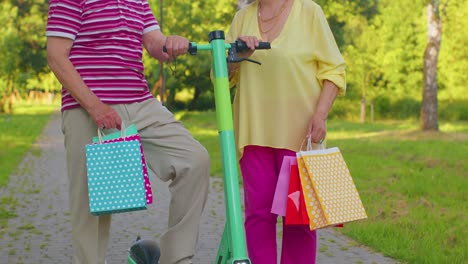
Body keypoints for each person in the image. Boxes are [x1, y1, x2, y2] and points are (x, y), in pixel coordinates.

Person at [46, 1, 210, 263]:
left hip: (140, 102)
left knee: (195, 160)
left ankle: (175, 258)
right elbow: (56, 55)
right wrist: (95, 107)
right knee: (91, 206)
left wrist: (171, 43)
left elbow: (155, 44)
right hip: (87, 107)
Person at [225, 0, 346, 263]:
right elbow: (222, 75)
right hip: (253, 131)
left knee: (299, 219)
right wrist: (237, 55)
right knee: (258, 215)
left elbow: (334, 71)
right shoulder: (242, 18)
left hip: (299, 135)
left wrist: (320, 115)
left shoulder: (309, 12)